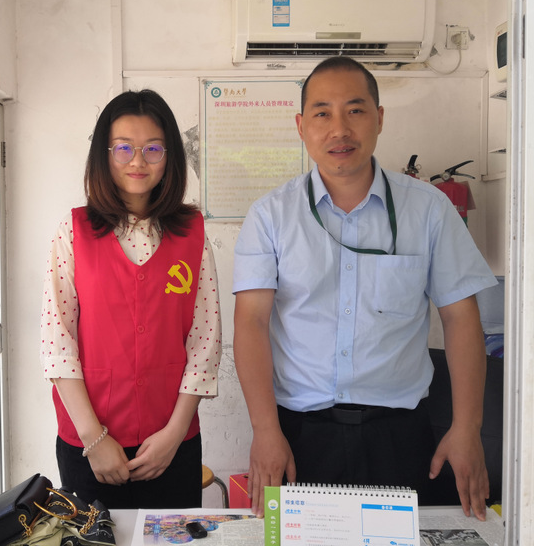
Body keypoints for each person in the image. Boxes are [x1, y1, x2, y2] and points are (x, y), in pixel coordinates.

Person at [232, 56, 497, 521]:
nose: (340, 129)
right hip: (299, 435)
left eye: (355, 110)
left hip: (400, 435)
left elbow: (461, 318)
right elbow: (251, 323)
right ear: (301, 126)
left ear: (379, 118)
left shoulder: (428, 210)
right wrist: (265, 430)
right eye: (322, 113)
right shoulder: (271, 216)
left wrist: (466, 428)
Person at [41, 89, 221, 509]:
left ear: (170, 156)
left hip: (171, 443)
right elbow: (57, 343)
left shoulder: (192, 233)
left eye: (153, 148)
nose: (138, 161)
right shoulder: (73, 232)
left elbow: (205, 342)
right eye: (123, 148)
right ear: (104, 155)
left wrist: (174, 435)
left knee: (173, 537)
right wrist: (94, 439)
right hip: (89, 445)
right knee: (97, 536)